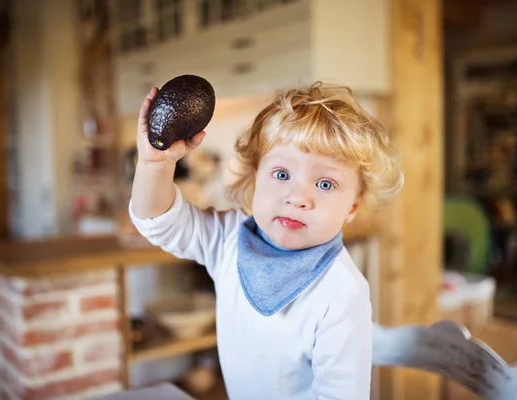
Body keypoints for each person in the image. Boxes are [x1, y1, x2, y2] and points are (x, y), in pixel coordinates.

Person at [129, 82, 404, 399]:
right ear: (254, 177)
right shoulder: (228, 240)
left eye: (325, 183)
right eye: (283, 174)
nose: (298, 197)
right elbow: (159, 222)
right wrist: (155, 164)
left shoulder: (341, 292)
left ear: (352, 206)